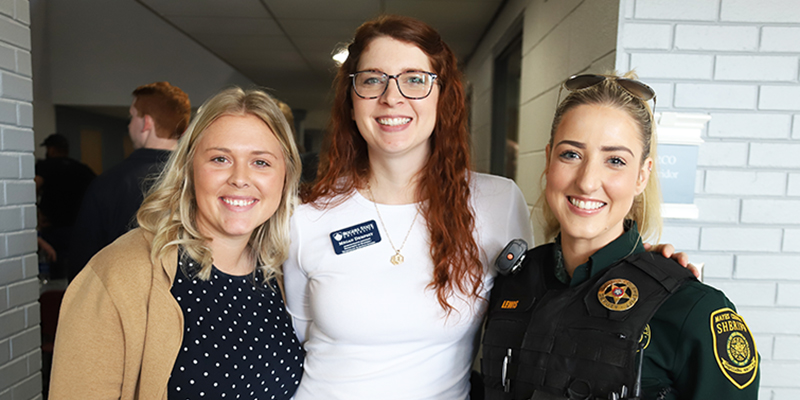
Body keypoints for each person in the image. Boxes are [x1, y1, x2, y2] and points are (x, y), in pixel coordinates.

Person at [282, 15, 534, 400]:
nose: (392, 97)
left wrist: (637, 259)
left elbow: (540, 301)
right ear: (351, 102)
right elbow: (299, 332)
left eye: (414, 79)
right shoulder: (306, 215)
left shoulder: (498, 202)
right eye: (372, 79)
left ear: (442, 96)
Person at [482, 73, 760, 399]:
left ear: (642, 176)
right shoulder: (513, 281)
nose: (587, 181)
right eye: (571, 154)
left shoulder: (692, 310)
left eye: (615, 161)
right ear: (548, 159)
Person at [50, 87, 305, 400]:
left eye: (261, 162)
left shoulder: (280, 273)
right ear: (188, 168)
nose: (240, 178)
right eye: (220, 158)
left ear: (286, 177)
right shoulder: (120, 274)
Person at [68, 81, 191, 281]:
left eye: (132, 116)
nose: (129, 124)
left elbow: (83, 265)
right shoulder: (201, 180)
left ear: (146, 123)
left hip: (123, 302)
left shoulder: (107, 184)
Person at [35, 133, 96, 279]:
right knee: (76, 272)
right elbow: (98, 192)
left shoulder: (45, 166)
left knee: (53, 273)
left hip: (53, 228)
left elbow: (31, 190)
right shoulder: (81, 169)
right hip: (78, 228)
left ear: (52, 149)